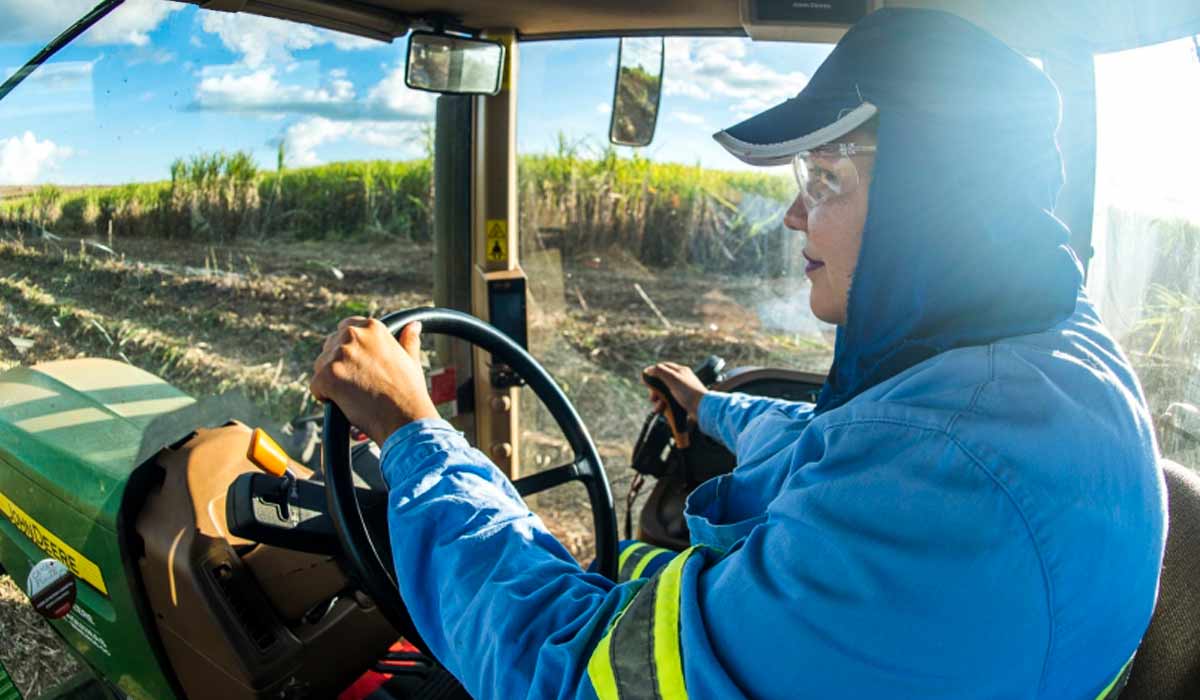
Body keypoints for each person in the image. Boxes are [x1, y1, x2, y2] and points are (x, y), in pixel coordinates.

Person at [310, 8, 1166, 699]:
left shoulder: (946, 489)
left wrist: (413, 431)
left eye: (826, 178)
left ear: (935, 197)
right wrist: (714, 407)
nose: (796, 215)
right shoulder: (1039, 360)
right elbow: (844, 443)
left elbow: (570, 679)